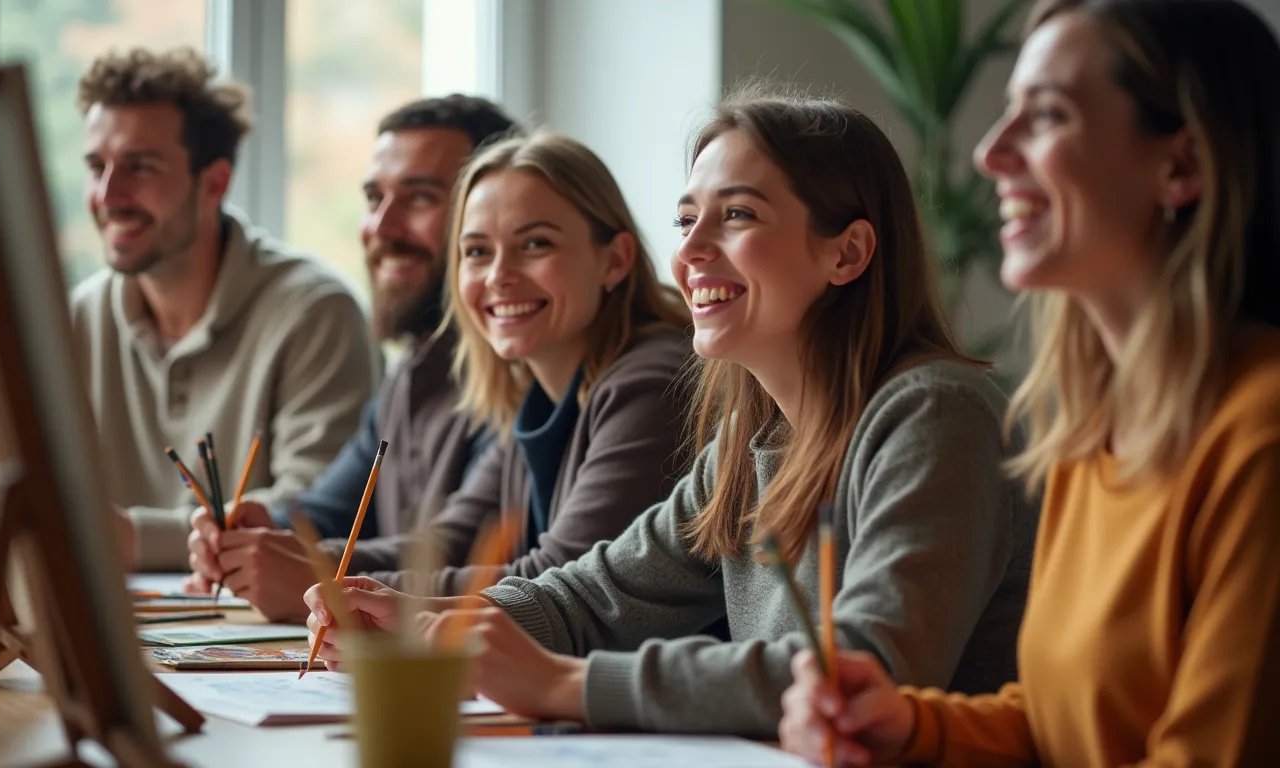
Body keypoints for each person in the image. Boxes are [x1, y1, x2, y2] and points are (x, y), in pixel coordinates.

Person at [306, 92, 1038, 737]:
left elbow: (863, 669)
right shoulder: (753, 435)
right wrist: (418, 615)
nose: (689, 251)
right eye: (687, 219)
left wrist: (565, 686)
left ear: (847, 253)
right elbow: (597, 597)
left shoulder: (936, 415)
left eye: (738, 215)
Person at [778, 1, 1280, 764]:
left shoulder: (1261, 436)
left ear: (1180, 165)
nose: (989, 153)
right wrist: (913, 725)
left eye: (1043, 117)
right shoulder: (1090, 427)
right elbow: (1061, 721)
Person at [214, 131, 695, 621]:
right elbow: (450, 544)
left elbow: (563, 581)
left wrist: (327, 585)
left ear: (615, 260)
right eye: (477, 251)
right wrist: (283, 557)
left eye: (535, 244)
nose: (498, 275)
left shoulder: (652, 383)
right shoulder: (536, 391)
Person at [183, 95, 520, 616]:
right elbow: (330, 508)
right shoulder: (412, 367)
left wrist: (308, 568)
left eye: (420, 198)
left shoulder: (521, 374)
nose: (381, 228)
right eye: (373, 198)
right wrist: (257, 528)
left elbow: (457, 547)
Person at [70, 47, 373, 570]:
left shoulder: (317, 311)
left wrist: (131, 538)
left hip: (260, 630)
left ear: (213, 183)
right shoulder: (78, 316)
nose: (107, 194)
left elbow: (321, 510)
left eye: (140, 167)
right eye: (96, 166)